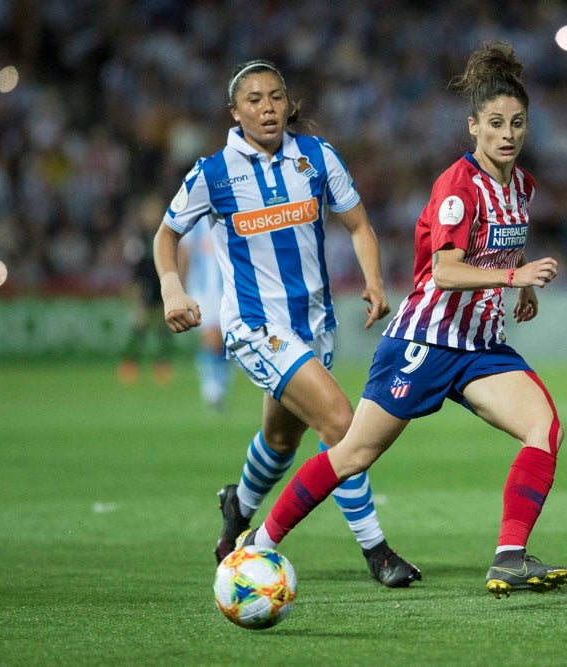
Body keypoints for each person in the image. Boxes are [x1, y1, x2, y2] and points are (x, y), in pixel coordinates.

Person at [236, 42, 567, 599]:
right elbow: (444, 272)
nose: (507, 133)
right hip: (425, 341)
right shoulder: (457, 189)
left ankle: (510, 556)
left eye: (516, 123)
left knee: (544, 429)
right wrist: (515, 278)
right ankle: (262, 543)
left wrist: (519, 289)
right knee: (352, 454)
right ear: (473, 128)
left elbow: (498, 249)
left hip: (482, 345)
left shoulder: (522, 186)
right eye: (494, 123)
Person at [152, 59, 421, 587]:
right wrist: (171, 287)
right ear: (234, 112)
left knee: (279, 440)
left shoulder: (317, 157)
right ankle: (376, 551)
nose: (268, 108)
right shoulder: (213, 173)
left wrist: (373, 279)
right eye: (254, 99)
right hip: (255, 326)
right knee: (342, 424)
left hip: (314, 324)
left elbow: (360, 224)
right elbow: (165, 235)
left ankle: (239, 506)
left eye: (276, 97)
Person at [118, 193, 175, 385]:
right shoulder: (140, 239)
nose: (151, 215)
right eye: (148, 212)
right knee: (139, 327)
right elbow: (135, 266)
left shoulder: (166, 234)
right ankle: (130, 363)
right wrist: (134, 286)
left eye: (155, 211)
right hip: (146, 287)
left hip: (163, 285)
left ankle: (162, 365)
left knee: (162, 329)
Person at [178, 217, 232, 411]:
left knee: (225, 340)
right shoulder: (195, 218)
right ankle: (211, 387)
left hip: (227, 287)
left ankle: (219, 385)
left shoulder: (229, 212)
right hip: (201, 288)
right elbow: (184, 253)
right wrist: (179, 288)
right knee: (212, 338)